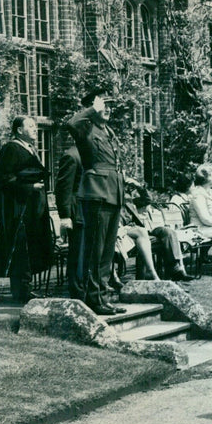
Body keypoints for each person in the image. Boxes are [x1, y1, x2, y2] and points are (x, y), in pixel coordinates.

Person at [65, 88, 126, 316]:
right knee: (95, 250)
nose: (108, 109)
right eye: (104, 105)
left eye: (109, 105)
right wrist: (92, 109)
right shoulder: (86, 128)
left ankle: (103, 296)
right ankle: (93, 298)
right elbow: (71, 123)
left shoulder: (106, 130)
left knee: (107, 251)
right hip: (96, 193)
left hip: (113, 192)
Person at [0, 116, 53, 303]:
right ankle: (21, 292)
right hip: (18, 210)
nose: (35, 129)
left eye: (36, 125)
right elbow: (5, 179)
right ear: (19, 130)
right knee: (21, 250)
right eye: (30, 126)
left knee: (30, 249)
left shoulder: (29, 148)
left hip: (31, 209)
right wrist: (30, 187)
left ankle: (26, 289)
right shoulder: (11, 148)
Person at [124, 187, 195, 281]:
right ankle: (173, 271)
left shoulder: (136, 195)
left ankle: (177, 268)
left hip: (152, 228)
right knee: (165, 242)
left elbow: (147, 198)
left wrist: (139, 187)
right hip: (138, 231)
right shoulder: (126, 202)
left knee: (169, 232)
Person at [55, 143, 85, 300]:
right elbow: (63, 188)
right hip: (76, 210)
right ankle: (76, 289)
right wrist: (65, 216)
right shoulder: (72, 156)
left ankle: (84, 287)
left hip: (87, 209)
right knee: (77, 251)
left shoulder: (89, 154)